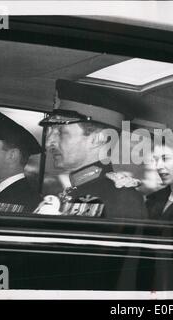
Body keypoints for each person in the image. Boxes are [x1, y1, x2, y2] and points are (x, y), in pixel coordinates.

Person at [36, 79, 147, 219]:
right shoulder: (73, 189)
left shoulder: (121, 198)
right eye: (51, 132)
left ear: (98, 139)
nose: (48, 142)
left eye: (61, 132)